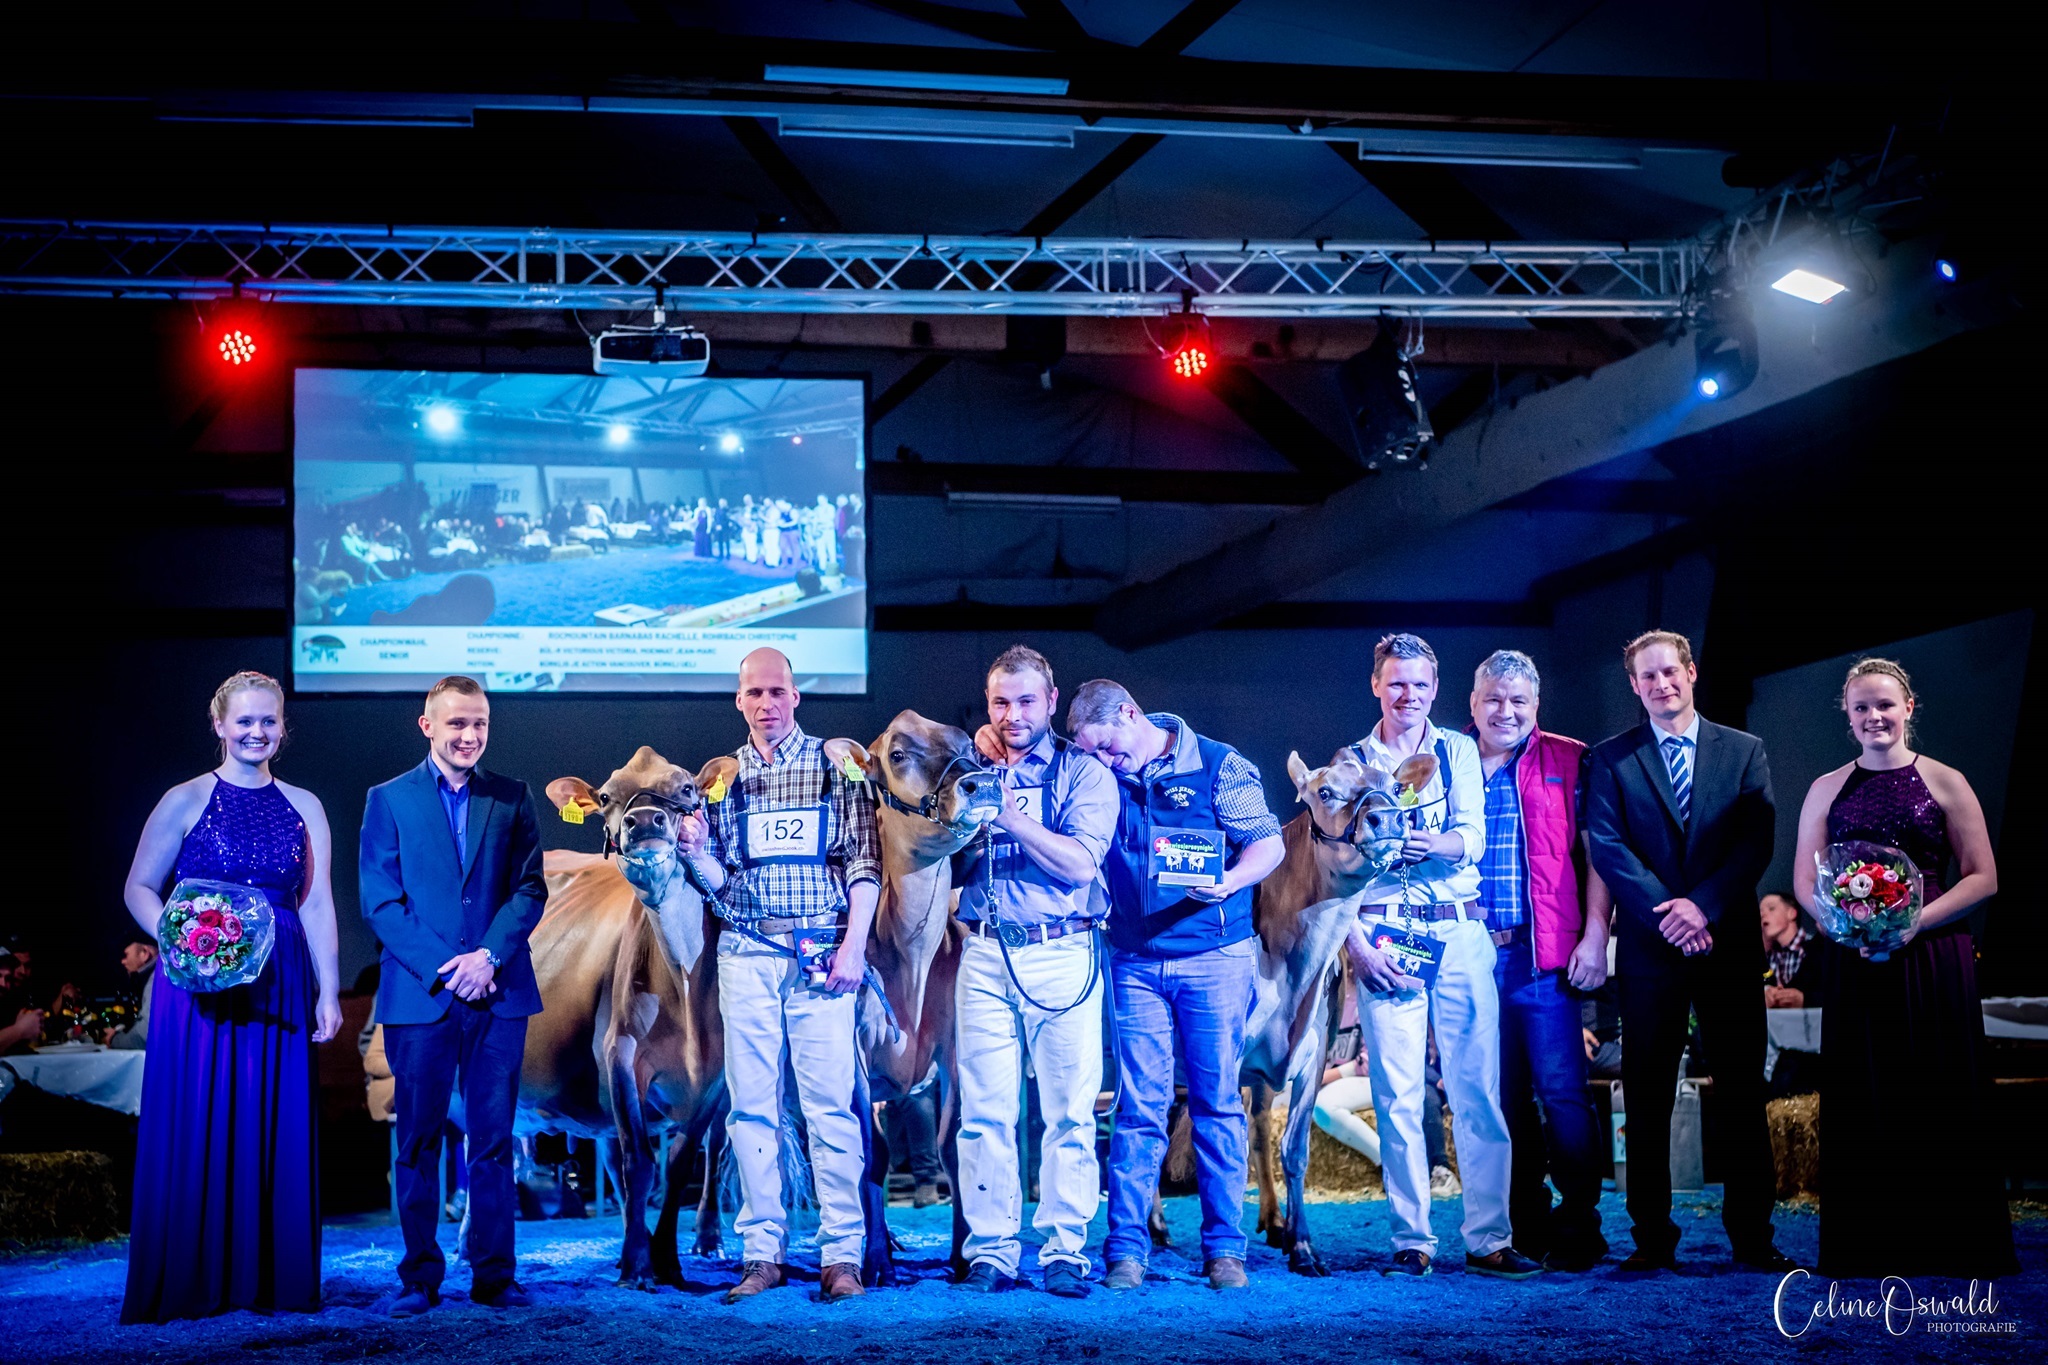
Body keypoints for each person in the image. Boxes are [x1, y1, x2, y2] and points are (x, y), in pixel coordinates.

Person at [119, 671, 343, 1323]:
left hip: (279, 978)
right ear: (219, 724)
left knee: (272, 1119)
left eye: (268, 720)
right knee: (196, 1114)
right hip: (197, 987)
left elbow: (318, 902)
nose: (256, 731)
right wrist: (180, 935)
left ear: (283, 727)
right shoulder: (185, 798)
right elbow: (139, 887)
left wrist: (329, 989)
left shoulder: (305, 804)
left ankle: (267, 1280)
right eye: (244, 720)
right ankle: (192, 1277)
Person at [1792, 658, 2016, 1279]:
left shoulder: (1946, 780)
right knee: (1865, 1090)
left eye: (1885, 705)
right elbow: (1806, 881)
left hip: (1933, 956)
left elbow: (1984, 876)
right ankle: (1871, 1243)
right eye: (1861, 707)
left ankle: (1952, 1240)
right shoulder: (1826, 787)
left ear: (1909, 707)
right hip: (1856, 961)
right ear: (1847, 715)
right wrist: (1845, 926)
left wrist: (1913, 922)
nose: (1874, 717)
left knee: (1939, 1089)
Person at [674, 647, 880, 1304]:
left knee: (830, 1108)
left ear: (796, 696)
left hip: (821, 950)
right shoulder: (720, 779)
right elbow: (720, 883)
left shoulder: (836, 766)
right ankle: (762, 1253)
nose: (766, 703)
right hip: (747, 953)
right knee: (752, 1109)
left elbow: (864, 862)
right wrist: (696, 853)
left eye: (777, 691)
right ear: (739, 701)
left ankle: (841, 1255)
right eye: (754, 693)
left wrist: (855, 946)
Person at [1066, 680, 1285, 1293]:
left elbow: (1267, 843)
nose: (1103, 762)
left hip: (1214, 956)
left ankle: (1225, 1250)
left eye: (1107, 747)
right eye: (1091, 754)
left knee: (1216, 1102)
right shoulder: (1098, 774)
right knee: (1139, 1106)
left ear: (1130, 714)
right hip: (1134, 960)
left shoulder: (1217, 764)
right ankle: (1125, 1249)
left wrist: (1231, 881)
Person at [1584, 630, 1791, 1273]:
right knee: (1648, 1096)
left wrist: (1702, 906)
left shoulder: (1744, 750)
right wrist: (1670, 914)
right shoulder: (1610, 758)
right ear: (1634, 685)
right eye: (1647, 676)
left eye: (1670, 671)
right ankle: (1652, 1240)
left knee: (1741, 1091)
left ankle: (1752, 1237)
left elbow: (1755, 842)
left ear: (1691, 672)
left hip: (1726, 943)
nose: (1661, 684)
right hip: (1650, 950)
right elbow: (1607, 845)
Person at [1340, 634, 1536, 1280]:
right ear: (1375, 685)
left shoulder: (1457, 750)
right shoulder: (1352, 762)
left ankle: (1489, 1237)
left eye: (1420, 684)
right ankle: (1412, 1240)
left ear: (1436, 688)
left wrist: (1435, 844)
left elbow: (1473, 837)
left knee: (1477, 1088)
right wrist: (1355, 945)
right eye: (1397, 683)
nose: (1409, 695)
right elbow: (1333, 866)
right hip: (1386, 932)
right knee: (1397, 1091)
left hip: (1456, 928)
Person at [359, 675, 547, 1317]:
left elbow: (530, 890)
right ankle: (419, 1278)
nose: (469, 735)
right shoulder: (388, 800)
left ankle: (494, 1276)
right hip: (422, 996)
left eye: (479, 724)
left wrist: (487, 957)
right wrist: (449, 968)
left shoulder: (513, 797)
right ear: (428, 726)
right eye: (457, 723)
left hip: (498, 992)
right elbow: (381, 902)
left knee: (493, 1142)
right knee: (417, 1141)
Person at [951, 646, 1116, 1298]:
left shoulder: (1084, 772)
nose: (1012, 715)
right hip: (984, 951)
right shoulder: (969, 768)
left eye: (1025, 701)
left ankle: (1064, 1249)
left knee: (1069, 1112)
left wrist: (1007, 813)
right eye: (1000, 702)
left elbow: (1080, 865)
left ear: (1051, 701)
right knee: (984, 1112)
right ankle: (991, 1251)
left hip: (1062, 948)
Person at [1467, 649, 1613, 1271]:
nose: (1506, 711)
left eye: (1518, 700)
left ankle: (1579, 1223)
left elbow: (1598, 854)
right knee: (1499, 1098)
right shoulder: (1448, 760)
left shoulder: (1571, 759)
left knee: (1563, 1095)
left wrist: (1596, 934)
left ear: (1536, 705)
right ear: (1473, 703)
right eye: (1494, 699)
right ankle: (1523, 1223)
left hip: (1543, 956)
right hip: (1472, 957)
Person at [1759, 892, 1817, 1008]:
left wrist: (1806, 1000)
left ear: (1792, 913)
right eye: (1760, 911)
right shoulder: (1771, 957)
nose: (1763, 915)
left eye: (1771, 908)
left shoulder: (1816, 949)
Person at [104, 933, 159, 1050]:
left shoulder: (158, 978)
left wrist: (114, 1039)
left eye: (125, 955)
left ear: (144, 952)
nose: (122, 962)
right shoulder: (167, 973)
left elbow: (145, 1036)